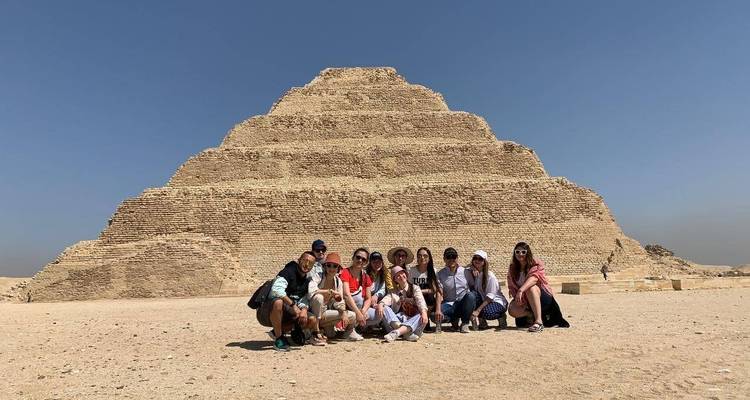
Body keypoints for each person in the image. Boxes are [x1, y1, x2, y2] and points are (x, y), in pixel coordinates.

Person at [257, 251, 319, 351]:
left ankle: (286, 331)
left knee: (312, 319)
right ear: (299, 260)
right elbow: (276, 290)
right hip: (267, 313)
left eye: (310, 263)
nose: (307, 265)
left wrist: (303, 309)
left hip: (288, 313)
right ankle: (279, 339)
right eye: (304, 260)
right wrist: (293, 305)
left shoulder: (307, 279)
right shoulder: (288, 272)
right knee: (278, 302)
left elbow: (303, 297)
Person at [507, 242, 570, 332]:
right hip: (526, 300)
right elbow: (511, 285)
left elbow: (534, 279)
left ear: (527, 253)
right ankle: (530, 315)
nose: (520, 254)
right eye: (517, 252)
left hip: (542, 298)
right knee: (512, 309)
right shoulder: (513, 268)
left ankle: (538, 322)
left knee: (530, 287)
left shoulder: (535, 264)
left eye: (523, 252)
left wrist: (521, 290)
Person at [307, 252, 357, 344]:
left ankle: (348, 333)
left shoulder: (338, 281)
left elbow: (339, 300)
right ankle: (316, 332)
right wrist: (329, 291)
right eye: (329, 265)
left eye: (335, 266)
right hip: (313, 314)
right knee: (319, 297)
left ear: (338, 268)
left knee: (352, 316)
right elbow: (311, 291)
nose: (331, 268)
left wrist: (343, 312)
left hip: (325, 313)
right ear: (325, 267)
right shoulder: (318, 276)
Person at [378, 266, 429, 342]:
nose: (401, 276)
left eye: (402, 273)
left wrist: (424, 312)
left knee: (422, 314)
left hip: (412, 319)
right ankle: (406, 332)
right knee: (384, 307)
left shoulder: (415, 288)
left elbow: (420, 301)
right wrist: (380, 304)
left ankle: (397, 332)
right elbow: (385, 300)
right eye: (397, 276)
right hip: (398, 321)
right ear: (395, 280)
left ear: (406, 274)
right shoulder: (393, 292)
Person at [340, 247, 378, 340]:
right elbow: (346, 295)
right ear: (353, 258)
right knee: (359, 299)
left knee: (378, 315)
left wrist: (363, 311)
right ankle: (349, 330)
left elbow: (368, 298)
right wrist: (358, 313)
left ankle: (357, 326)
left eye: (364, 259)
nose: (360, 260)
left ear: (366, 263)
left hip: (359, 308)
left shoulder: (365, 277)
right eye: (358, 257)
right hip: (347, 306)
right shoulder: (345, 272)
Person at [436, 247, 477, 333]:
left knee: (471, 295)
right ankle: (454, 320)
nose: (451, 259)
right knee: (434, 316)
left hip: (463, 304)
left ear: (457, 258)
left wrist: (473, 307)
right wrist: (438, 310)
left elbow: (473, 287)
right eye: (448, 257)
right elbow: (439, 292)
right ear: (444, 259)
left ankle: (465, 323)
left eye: (453, 256)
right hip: (449, 304)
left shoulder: (466, 272)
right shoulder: (440, 274)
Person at [468, 250, 508, 330]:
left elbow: (490, 297)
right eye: (475, 258)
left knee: (487, 313)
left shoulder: (490, 276)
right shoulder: (473, 273)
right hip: (484, 301)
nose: (477, 260)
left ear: (485, 262)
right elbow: (461, 268)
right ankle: (482, 322)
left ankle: (501, 316)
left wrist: (478, 311)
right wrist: (472, 267)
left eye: (480, 259)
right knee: (471, 296)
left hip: (496, 302)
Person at [408, 247, 443, 331]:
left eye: (425, 256)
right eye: (419, 256)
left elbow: (436, 289)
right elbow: (409, 289)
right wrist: (420, 292)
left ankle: (426, 320)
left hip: (429, 300)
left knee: (429, 295)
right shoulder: (412, 271)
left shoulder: (433, 271)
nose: (422, 258)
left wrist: (423, 291)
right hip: (415, 299)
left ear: (429, 258)